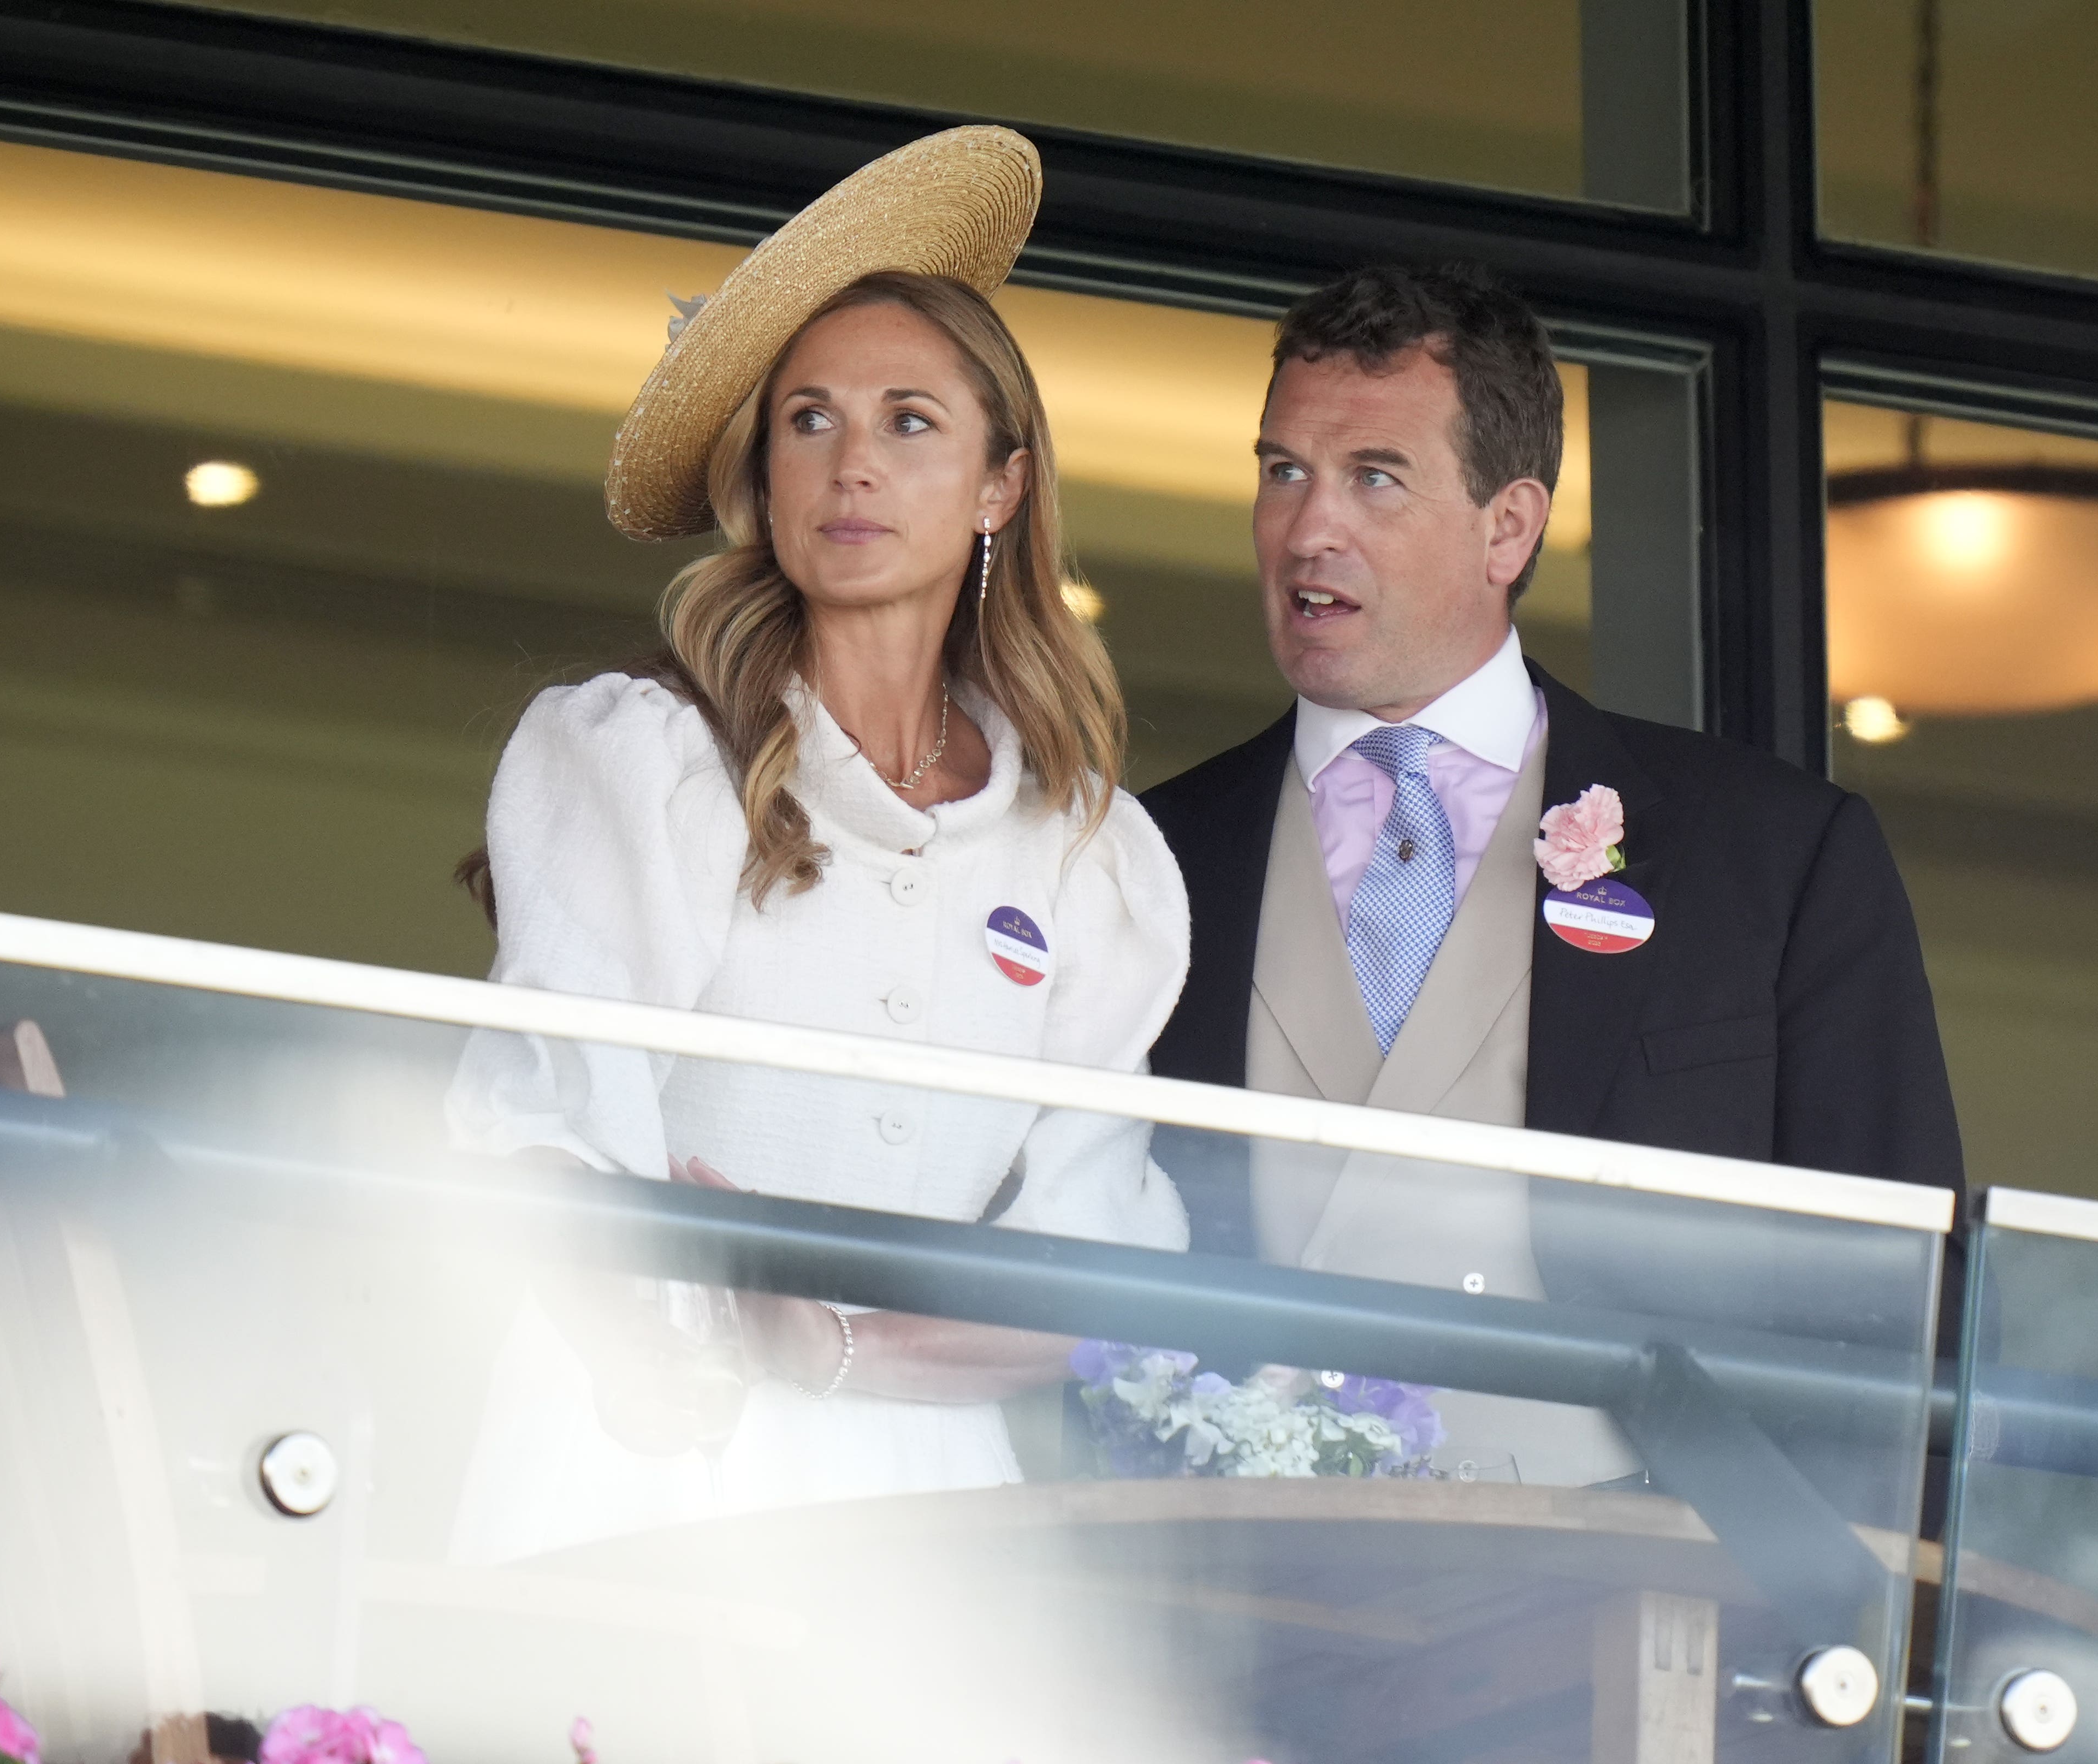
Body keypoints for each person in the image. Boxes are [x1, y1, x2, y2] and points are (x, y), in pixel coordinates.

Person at [442, 128, 1190, 1561]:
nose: (854, 463)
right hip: (637, 1447)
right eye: (810, 420)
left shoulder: (1088, 853)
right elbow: (541, 1136)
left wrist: (842, 1352)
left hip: (934, 1509)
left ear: (1000, 487)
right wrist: (673, 1359)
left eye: (911, 421)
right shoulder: (646, 758)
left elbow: (1104, 1273)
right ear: (766, 474)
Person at [1140, 262, 1965, 1483]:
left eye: (1374, 476)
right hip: (1227, 1591)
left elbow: (1898, 1308)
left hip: (1642, 1609)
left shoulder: (1771, 854)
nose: (1309, 526)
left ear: (1509, 526)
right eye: (1282, 471)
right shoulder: (1146, 857)